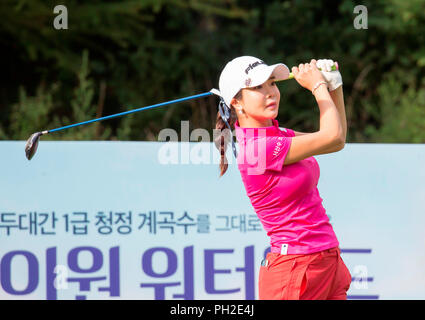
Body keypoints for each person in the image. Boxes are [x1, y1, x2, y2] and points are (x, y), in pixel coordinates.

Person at [213, 56, 351, 300]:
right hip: (295, 269)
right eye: (257, 88)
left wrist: (334, 86)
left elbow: (336, 141)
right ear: (237, 103)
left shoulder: (280, 135)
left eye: (272, 84)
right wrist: (318, 87)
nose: (271, 93)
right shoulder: (256, 149)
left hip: (326, 260)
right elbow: (331, 136)